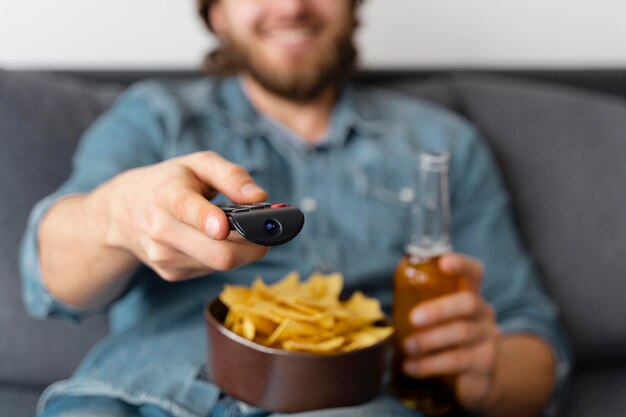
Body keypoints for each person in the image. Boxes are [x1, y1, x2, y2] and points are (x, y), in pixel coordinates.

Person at [20, 0, 571, 416]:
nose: (291, 6)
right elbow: (50, 280)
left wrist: (490, 372)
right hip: (139, 397)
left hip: (358, 402)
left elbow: (532, 335)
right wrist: (114, 218)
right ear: (216, 13)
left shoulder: (443, 143)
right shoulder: (153, 118)